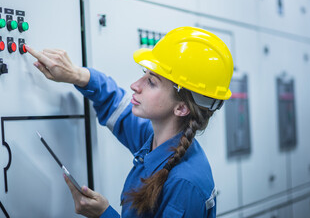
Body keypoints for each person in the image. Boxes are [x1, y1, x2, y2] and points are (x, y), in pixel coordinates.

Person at [26, 26, 234, 218]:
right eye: (144, 75)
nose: (135, 85)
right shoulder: (157, 141)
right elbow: (115, 104)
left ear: (181, 108)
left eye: (152, 82)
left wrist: (104, 214)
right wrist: (76, 75)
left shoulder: (185, 184)